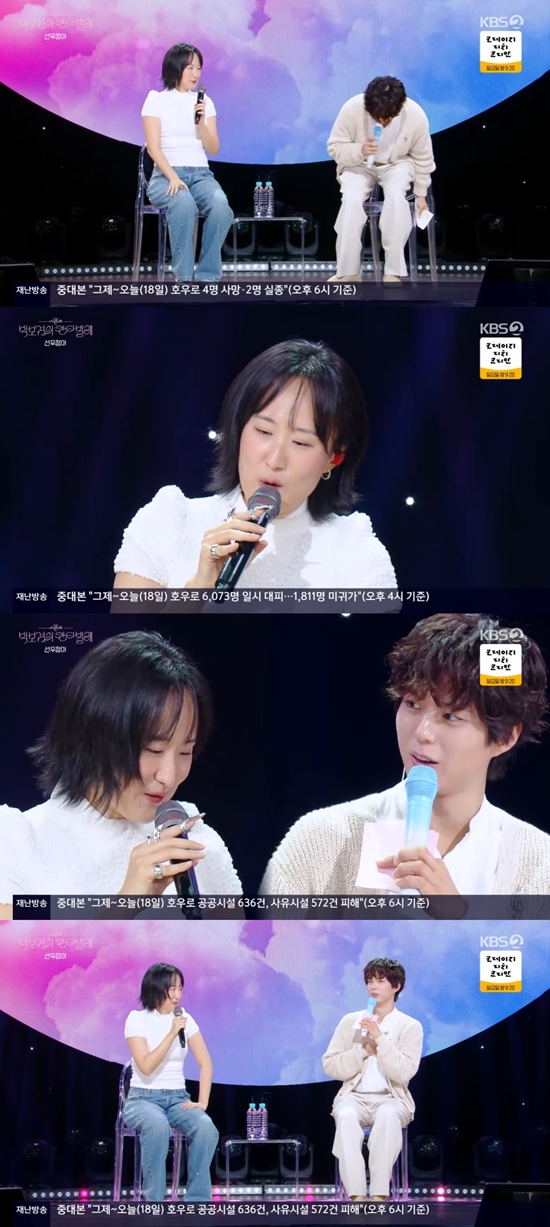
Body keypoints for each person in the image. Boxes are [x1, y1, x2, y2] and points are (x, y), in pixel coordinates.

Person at [260, 613, 550, 895]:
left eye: (451, 716)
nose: (423, 732)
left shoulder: (539, 866)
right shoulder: (320, 840)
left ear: (506, 737)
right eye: (412, 704)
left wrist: (456, 918)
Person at [113, 340, 396, 591]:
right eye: (263, 431)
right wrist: (199, 588)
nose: (275, 460)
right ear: (237, 429)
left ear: (335, 457)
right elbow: (129, 632)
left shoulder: (354, 551)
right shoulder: (169, 520)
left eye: (301, 443)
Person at [0, 631, 241, 917]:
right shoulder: (17, 843)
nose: (169, 776)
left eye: (185, 751)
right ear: (93, 737)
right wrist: (124, 906)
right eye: (153, 749)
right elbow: (20, 948)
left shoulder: (196, 841)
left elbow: (244, 946)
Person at [323, 958, 422, 1202]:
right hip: (353, 1097)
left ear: (396, 986)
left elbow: (404, 1073)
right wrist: (362, 1051)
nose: (373, 987)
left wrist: (380, 1039)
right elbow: (331, 1065)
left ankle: (379, 1193)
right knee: (345, 1116)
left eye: (380, 981)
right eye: (369, 981)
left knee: (388, 1115)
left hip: (391, 1098)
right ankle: (356, 1194)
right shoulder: (351, 1021)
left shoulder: (410, 1026)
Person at [123, 963, 218, 1201]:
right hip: (142, 1099)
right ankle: (153, 1201)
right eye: (172, 988)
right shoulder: (136, 1019)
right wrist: (171, 1033)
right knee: (157, 1125)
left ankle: (197, 1200)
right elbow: (146, 1066)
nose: (177, 995)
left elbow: (206, 1063)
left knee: (206, 1127)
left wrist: (202, 1102)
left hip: (177, 1099)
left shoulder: (186, 1019)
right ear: (156, 988)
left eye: (180, 988)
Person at [327, 76, 435, 284]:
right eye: (377, 117)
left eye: (388, 118)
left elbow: (423, 158)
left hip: (398, 163)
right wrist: (360, 150)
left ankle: (393, 271)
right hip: (359, 164)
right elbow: (335, 147)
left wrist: (421, 194)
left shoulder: (415, 114)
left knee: (396, 197)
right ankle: (348, 272)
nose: (382, 122)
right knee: (350, 199)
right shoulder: (352, 108)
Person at [142, 43, 233, 281]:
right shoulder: (156, 100)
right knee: (183, 203)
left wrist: (201, 122)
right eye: (190, 67)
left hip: (201, 175)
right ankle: (183, 276)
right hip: (166, 176)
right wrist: (173, 177)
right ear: (175, 67)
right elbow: (153, 148)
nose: (195, 74)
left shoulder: (205, 102)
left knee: (221, 206)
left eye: (199, 68)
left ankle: (207, 274)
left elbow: (213, 149)